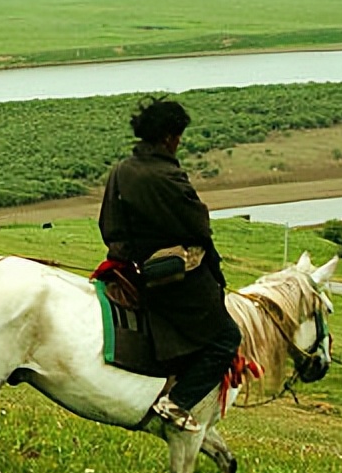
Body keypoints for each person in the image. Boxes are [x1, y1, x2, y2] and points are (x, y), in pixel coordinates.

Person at [98, 97, 241, 433]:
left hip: (132, 270)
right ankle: (176, 402)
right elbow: (199, 227)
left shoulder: (121, 171)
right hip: (174, 281)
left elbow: (109, 226)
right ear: (166, 137)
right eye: (177, 136)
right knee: (227, 338)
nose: (178, 142)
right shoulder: (168, 177)